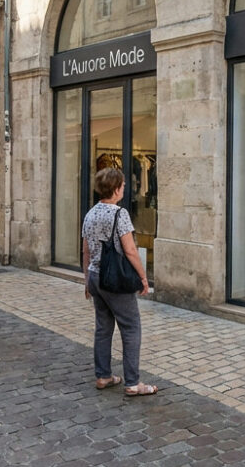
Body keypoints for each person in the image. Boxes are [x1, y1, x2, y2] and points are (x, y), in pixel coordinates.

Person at [82, 167, 156, 396]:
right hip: (114, 279)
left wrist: (87, 280)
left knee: (103, 328)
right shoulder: (119, 214)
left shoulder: (90, 213)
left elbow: (86, 251)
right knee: (131, 327)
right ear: (115, 189)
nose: (124, 188)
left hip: (95, 276)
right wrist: (143, 277)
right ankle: (132, 382)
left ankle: (103, 375)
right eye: (122, 185)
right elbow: (130, 250)